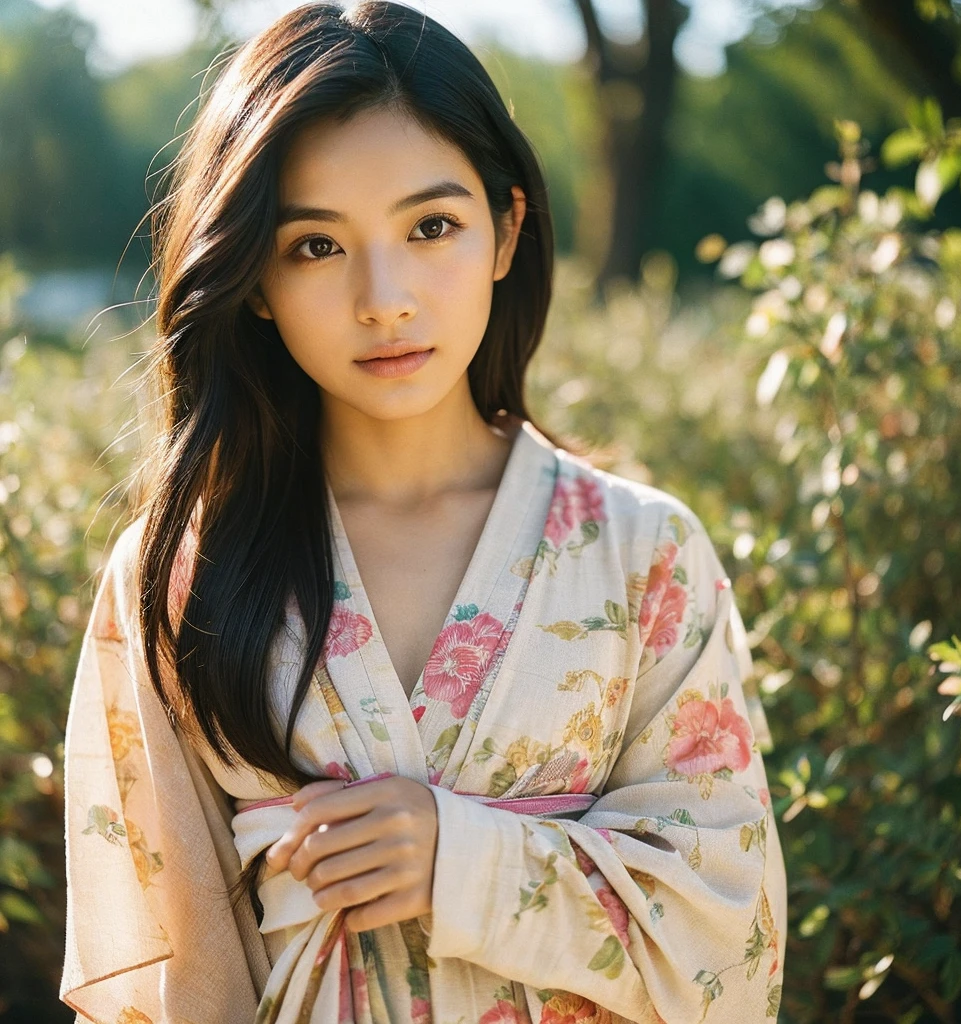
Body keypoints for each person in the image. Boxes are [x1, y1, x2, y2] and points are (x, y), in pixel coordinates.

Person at [58, 2, 787, 1022]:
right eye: (315, 245)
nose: (385, 297)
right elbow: (155, 967)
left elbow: (733, 926)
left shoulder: (639, 554)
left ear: (506, 230)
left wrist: (464, 858)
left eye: (431, 226)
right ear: (255, 280)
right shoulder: (181, 569)